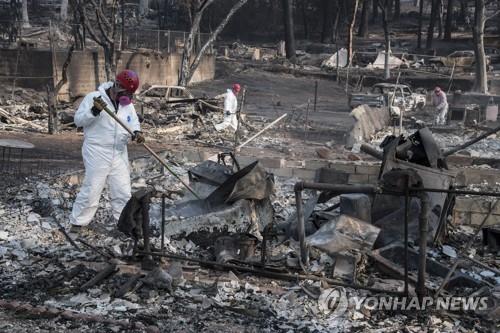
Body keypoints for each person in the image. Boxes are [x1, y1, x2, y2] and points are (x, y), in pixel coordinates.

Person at [69, 69, 145, 232]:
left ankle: (124, 223)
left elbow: (133, 121)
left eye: (131, 94)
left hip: (119, 152)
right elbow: (78, 121)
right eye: (126, 93)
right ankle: (78, 223)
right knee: (92, 188)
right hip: (97, 151)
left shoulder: (127, 104)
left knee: (123, 190)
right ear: (117, 85)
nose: (129, 98)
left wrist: (137, 132)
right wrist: (94, 112)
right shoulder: (94, 98)